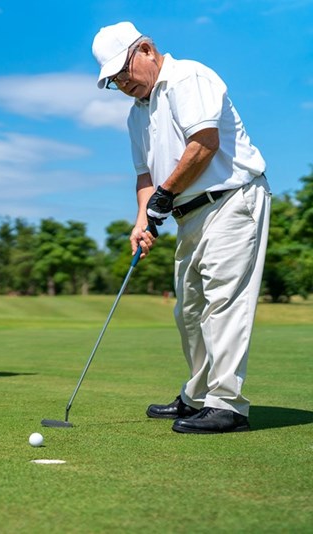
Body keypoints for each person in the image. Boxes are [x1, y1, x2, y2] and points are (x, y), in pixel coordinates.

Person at [92, 22, 271, 433]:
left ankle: (227, 405)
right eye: (113, 81)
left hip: (231, 200)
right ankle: (198, 396)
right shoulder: (137, 115)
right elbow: (145, 178)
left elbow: (203, 144)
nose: (122, 84)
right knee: (188, 309)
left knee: (223, 301)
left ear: (147, 50)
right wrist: (143, 220)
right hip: (187, 213)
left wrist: (165, 195)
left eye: (124, 72)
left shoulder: (188, 76)